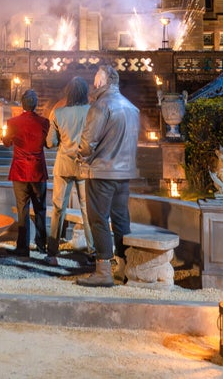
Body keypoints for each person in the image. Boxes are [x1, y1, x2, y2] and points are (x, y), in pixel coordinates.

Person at [75, 64, 140, 287]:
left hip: (102, 171)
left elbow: (87, 143)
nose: (93, 82)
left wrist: (79, 154)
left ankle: (103, 271)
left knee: (98, 219)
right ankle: (125, 267)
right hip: (124, 172)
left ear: (102, 81)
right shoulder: (132, 108)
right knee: (121, 219)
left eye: (96, 78)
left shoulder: (100, 106)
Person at [44, 75, 95, 266]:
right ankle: (93, 251)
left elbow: (50, 142)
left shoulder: (58, 113)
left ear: (69, 93)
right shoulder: (92, 112)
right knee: (87, 210)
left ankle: (52, 252)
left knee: (58, 209)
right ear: (85, 93)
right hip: (85, 166)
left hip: (64, 165)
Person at [2, 89, 49, 259]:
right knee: (40, 208)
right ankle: (42, 244)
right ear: (36, 104)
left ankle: (23, 247)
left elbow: (6, 143)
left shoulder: (13, 122)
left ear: (22, 104)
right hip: (37, 170)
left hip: (20, 170)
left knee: (22, 209)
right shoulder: (44, 122)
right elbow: (48, 144)